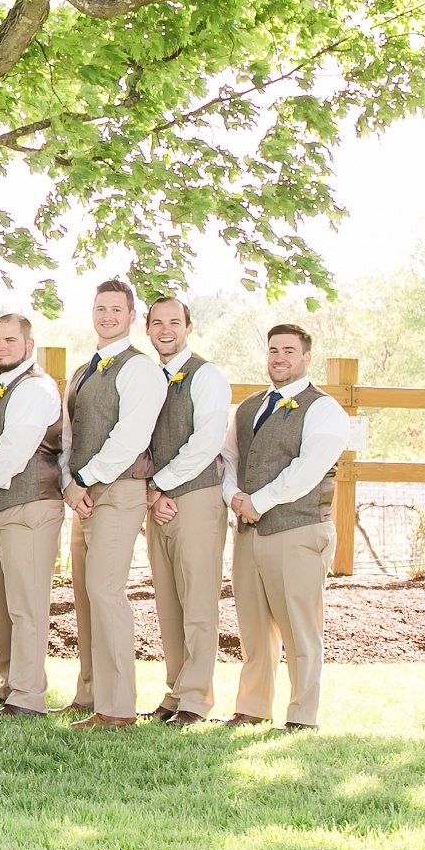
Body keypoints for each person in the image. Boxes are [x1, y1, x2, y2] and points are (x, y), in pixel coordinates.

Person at [221, 324, 345, 731]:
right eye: (274, 350)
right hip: (249, 532)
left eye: (289, 351)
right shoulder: (249, 406)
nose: (279, 358)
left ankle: (302, 716)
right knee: (253, 628)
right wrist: (234, 497)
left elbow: (307, 470)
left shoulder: (324, 409)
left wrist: (258, 502)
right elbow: (229, 459)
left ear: (306, 357)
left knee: (299, 627)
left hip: (297, 528)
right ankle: (253, 708)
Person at [60, 277, 169, 728]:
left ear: (131, 317)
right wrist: (69, 481)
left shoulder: (139, 369)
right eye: (101, 309)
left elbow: (130, 438)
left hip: (119, 490)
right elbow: (69, 436)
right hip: (83, 493)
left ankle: (119, 707)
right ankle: (91, 694)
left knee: (106, 592)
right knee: (86, 595)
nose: (107, 316)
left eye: (116, 310)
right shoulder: (83, 370)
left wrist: (83, 478)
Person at [142, 296, 234, 726]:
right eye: (157, 322)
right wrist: (152, 493)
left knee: (197, 600)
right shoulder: (147, 377)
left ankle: (196, 699)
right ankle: (175, 691)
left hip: (195, 497)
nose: (165, 330)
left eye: (174, 322)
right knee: (167, 602)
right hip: (156, 500)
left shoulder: (206, 376)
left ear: (189, 327)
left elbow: (205, 442)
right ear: (146, 329)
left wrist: (160, 485)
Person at [0, 314, 64, 718]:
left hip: (31, 505)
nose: (1, 346)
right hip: (5, 506)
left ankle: (28, 696)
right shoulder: (0, 386)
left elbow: (13, 450)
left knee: (26, 604)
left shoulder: (36, 388)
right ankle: (9, 683)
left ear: (29, 344)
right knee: (4, 602)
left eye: (10, 339)